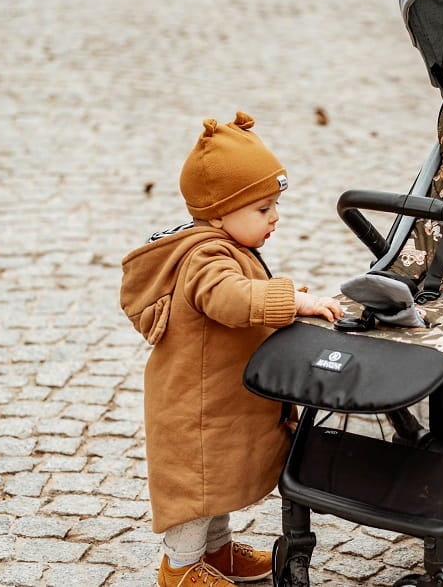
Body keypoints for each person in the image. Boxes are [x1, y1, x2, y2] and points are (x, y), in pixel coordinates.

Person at [120, 112, 343, 586]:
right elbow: (230, 298)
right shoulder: (205, 256)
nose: (275, 217)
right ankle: (179, 569)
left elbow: (246, 293)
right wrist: (292, 299)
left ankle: (217, 555)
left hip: (217, 400)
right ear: (220, 211)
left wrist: (295, 304)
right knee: (197, 490)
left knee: (215, 482)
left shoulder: (223, 244)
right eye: (262, 209)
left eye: (275, 205)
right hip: (194, 405)